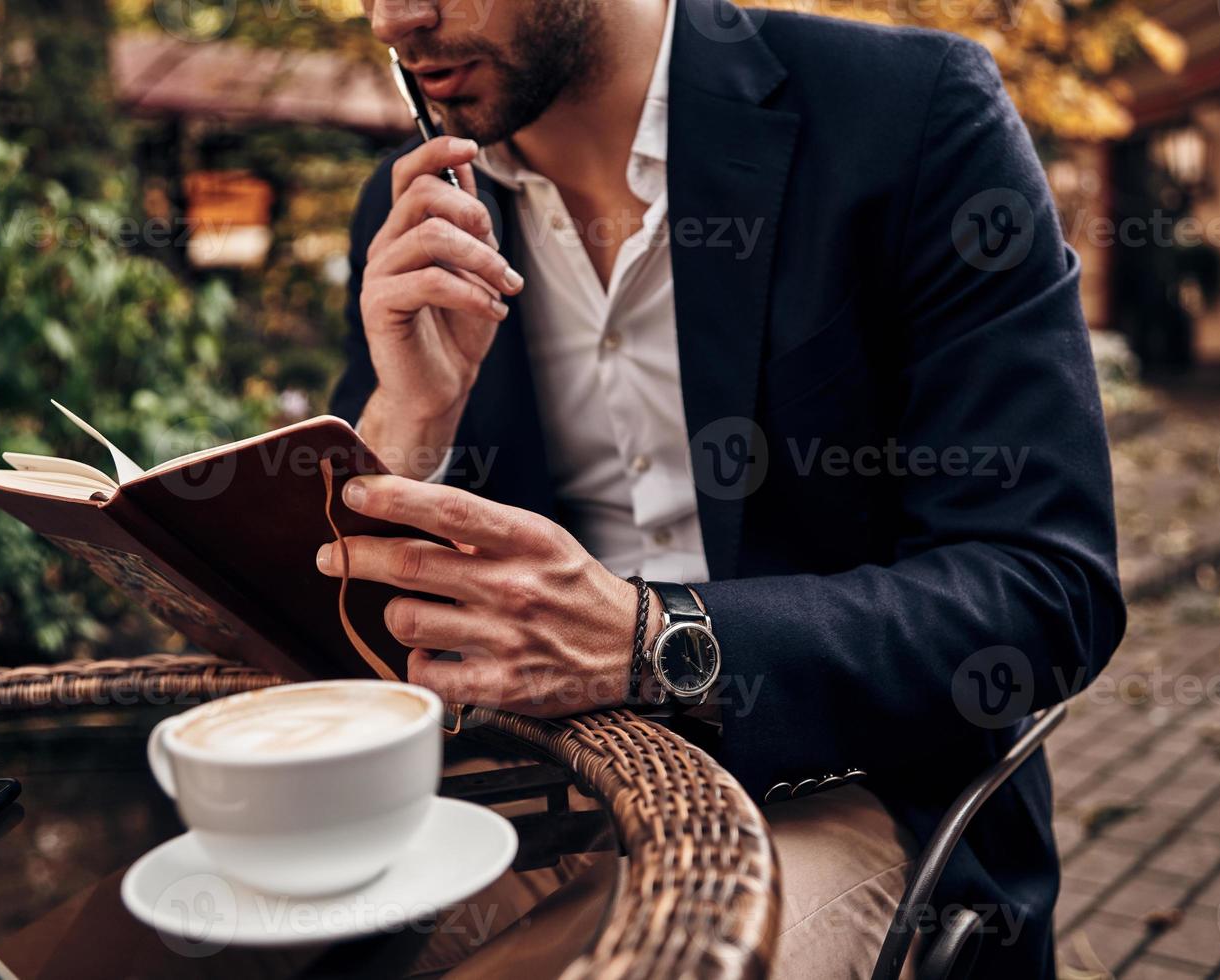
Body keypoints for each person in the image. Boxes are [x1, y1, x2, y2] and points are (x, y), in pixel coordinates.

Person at [323, 0, 1126, 975]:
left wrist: (657, 641)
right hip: (520, 787)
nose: (393, 17)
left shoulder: (909, 114)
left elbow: (1041, 588)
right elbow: (351, 630)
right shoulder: (409, 209)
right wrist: (408, 432)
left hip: (852, 788)